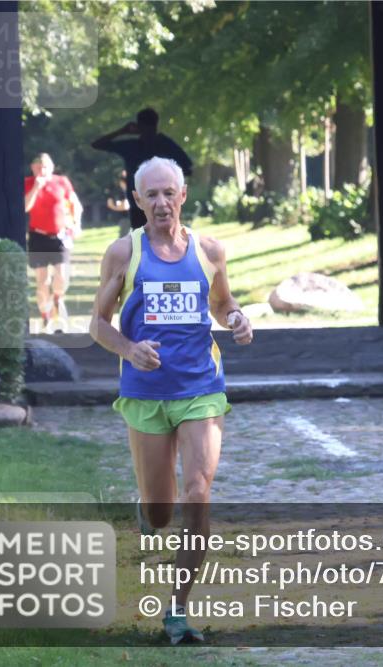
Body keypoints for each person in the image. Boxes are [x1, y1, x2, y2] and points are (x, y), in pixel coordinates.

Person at [89, 156, 252, 644]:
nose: (161, 203)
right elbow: (97, 324)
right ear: (137, 202)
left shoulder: (209, 250)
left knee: (197, 491)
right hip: (145, 394)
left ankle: (178, 609)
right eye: (151, 195)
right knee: (160, 514)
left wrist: (238, 318)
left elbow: (223, 304)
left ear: (183, 195)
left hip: (201, 387)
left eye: (169, 193)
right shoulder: (124, 253)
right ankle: (147, 509)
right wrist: (129, 348)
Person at [91, 108, 193, 230]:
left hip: (140, 203)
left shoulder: (132, 146)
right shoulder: (165, 144)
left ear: (138, 126)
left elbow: (97, 144)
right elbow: (187, 168)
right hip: (161, 203)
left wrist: (123, 131)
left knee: (142, 243)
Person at [24, 152, 82, 334]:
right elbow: (25, 207)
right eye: (38, 167)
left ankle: (57, 298)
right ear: (33, 168)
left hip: (60, 235)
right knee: (42, 280)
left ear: (51, 167)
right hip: (38, 236)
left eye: (46, 167)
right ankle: (45, 316)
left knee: (62, 276)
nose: (42, 171)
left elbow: (75, 204)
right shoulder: (28, 183)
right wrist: (36, 188)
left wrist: (77, 224)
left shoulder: (61, 181)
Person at [106, 169, 131, 237]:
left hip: (127, 219)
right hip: (126, 218)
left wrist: (113, 207)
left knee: (124, 239)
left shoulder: (124, 192)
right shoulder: (121, 192)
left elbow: (125, 206)